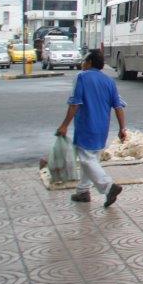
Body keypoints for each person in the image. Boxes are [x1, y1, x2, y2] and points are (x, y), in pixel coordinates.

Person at [56, 49, 127, 207]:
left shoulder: (81, 77)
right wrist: (122, 128)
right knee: (91, 161)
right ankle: (83, 191)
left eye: (84, 60)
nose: (82, 63)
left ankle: (109, 187)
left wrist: (64, 125)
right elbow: (118, 106)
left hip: (86, 126)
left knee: (87, 160)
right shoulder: (109, 81)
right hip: (103, 128)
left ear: (89, 62)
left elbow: (75, 104)